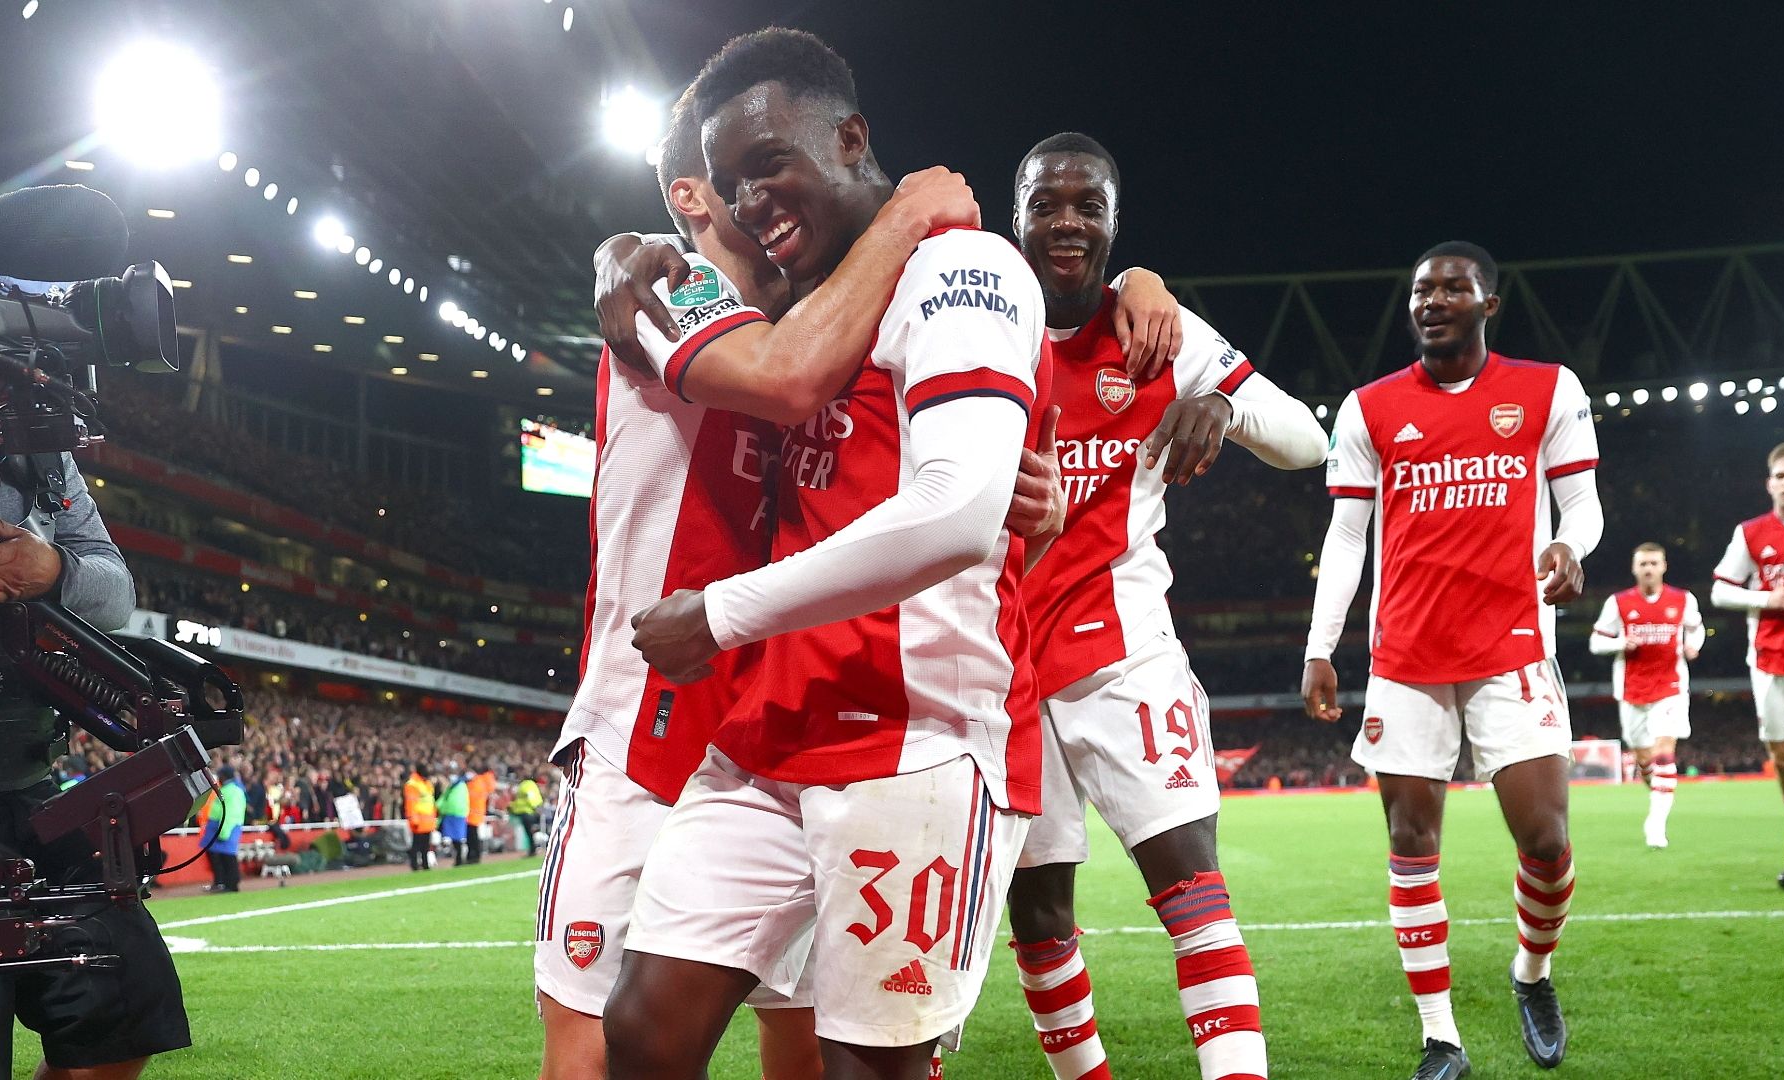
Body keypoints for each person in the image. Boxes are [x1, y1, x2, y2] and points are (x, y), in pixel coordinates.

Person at [609, 29, 1047, 1079]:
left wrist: (719, 614)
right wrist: (616, 253)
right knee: (643, 1031)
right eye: (730, 184)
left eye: (770, 164)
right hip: (767, 736)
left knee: (863, 1070)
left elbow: (955, 511)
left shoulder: (960, 267)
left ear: (851, 138)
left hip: (916, 741)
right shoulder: (793, 308)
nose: (751, 201)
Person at [1002, 132, 1326, 1080]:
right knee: (1040, 917)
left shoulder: (1160, 332)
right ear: (1015, 215)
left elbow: (1307, 441)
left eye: (1088, 206)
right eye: (1046, 204)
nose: (1067, 222)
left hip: (1124, 653)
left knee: (1191, 888)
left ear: (1115, 221)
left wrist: (1222, 403)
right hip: (1002, 664)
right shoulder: (979, 321)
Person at [1302, 241, 1602, 1078]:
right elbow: (1347, 537)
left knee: (1547, 841)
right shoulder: (1368, 408)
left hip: (1513, 647)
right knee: (1411, 842)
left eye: (1451, 288)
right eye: (1420, 290)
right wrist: (1321, 647)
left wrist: (1570, 546)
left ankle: (1531, 973)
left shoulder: (1549, 389)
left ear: (1488, 303)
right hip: (1406, 656)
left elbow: (1582, 503)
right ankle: (1442, 1037)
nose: (1432, 300)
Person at [0, 358, 191, 1078]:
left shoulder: (36, 437)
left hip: (24, 774)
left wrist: (53, 571)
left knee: (122, 1009)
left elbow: (115, 590)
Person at [1709, 441, 1784, 890]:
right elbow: (1720, 590)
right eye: (1781, 475)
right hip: (1768, 660)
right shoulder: (1750, 533)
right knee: (1782, 760)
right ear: (1769, 484)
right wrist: (1765, 598)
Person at [1589, 542, 1704, 847]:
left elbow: (1696, 628)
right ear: (1634, 568)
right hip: (1632, 690)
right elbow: (1596, 642)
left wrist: (1693, 645)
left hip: (1670, 687)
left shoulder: (1683, 599)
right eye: (1643, 564)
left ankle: (1656, 825)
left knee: (1664, 752)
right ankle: (1655, 790)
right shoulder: (1618, 603)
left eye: (1654, 563)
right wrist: (1620, 644)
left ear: (1664, 566)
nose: (1649, 568)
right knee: (1644, 760)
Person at [202, 764, 248, 893]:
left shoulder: (232, 791)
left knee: (226, 856)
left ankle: (229, 884)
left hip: (225, 827)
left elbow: (230, 813)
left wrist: (224, 831)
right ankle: (222, 883)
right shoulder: (230, 789)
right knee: (218, 856)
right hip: (219, 826)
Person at [404, 762, 438, 872]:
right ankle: (414, 865)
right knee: (416, 845)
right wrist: (414, 819)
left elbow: (430, 802)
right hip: (419, 820)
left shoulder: (427, 783)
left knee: (425, 845)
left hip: (427, 820)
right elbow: (411, 804)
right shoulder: (412, 784)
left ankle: (425, 864)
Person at [466, 762, 497, 863]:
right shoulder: (479, 782)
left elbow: (471, 796)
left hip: (473, 812)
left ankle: (474, 855)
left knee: (472, 835)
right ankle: (473, 855)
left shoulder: (476, 782)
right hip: (475, 812)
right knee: (472, 835)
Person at [509, 769, 545, 856]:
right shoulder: (532, 784)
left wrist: (535, 807)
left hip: (527, 812)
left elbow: (530, 796)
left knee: (529, 832)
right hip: (529, 811)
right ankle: (533, 849)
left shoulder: (526, 785)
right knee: (530, 832)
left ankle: (533, 850)